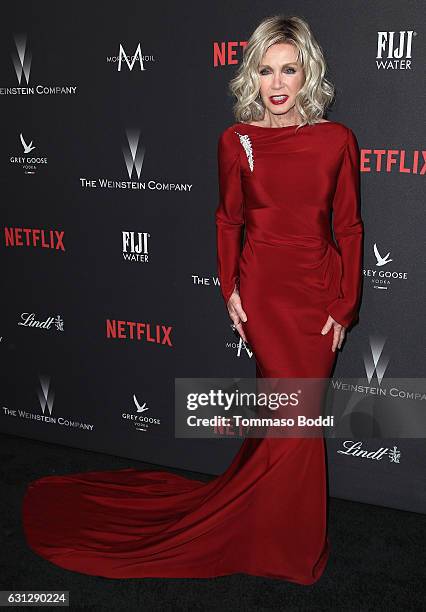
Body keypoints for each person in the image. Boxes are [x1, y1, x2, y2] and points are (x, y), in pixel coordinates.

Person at [21, 15, 363, 584]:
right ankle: (285, 547)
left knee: (292, 421)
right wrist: (229, 286)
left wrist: (345, 305)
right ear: (252, 76)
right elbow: (228, 218)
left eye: (289, 69)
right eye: (265, 69)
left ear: (308, 75)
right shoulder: (237, 141)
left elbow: (348, 227)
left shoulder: (337, 140)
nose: (277, 83)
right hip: (265, 295)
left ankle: (274, 532)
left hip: (319, 294)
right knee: (294, 419)